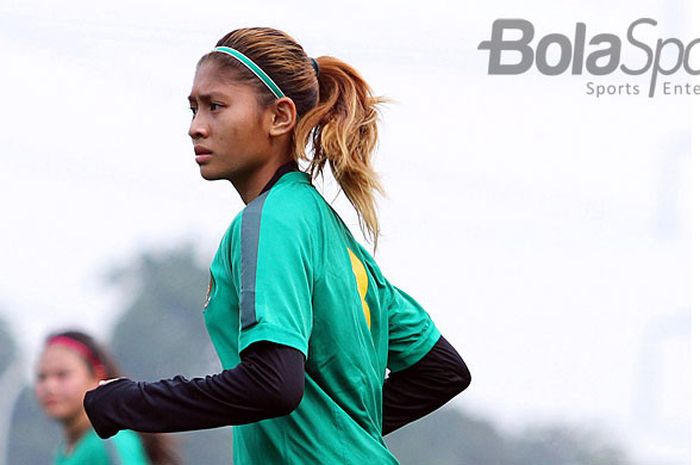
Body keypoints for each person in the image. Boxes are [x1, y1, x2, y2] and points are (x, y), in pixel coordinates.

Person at [83, 27, 471, 464]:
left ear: (280, 117)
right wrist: (337, 437)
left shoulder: (272, 222)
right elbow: (439, 371)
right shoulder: (329, 231)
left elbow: (273, 385)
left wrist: (129, 401)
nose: (195, 127)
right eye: (193, 108)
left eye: (216, 106)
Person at [35, 330, 179, 465]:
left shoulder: (111, 442)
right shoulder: (66, 450)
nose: (49, 387)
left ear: (98, 375)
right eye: (42, 377)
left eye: (62, 375)